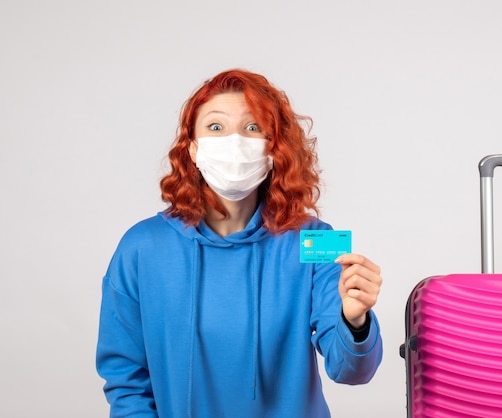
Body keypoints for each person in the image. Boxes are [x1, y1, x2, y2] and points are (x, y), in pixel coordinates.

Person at [96, 69, 383, 417]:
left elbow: (352, 372)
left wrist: (355, 321)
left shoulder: (316, 238)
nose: (234, 142)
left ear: (275, 147)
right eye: (215, 127)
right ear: (192, 147)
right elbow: (127, 381)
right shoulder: (142, 247)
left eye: (252, 127)